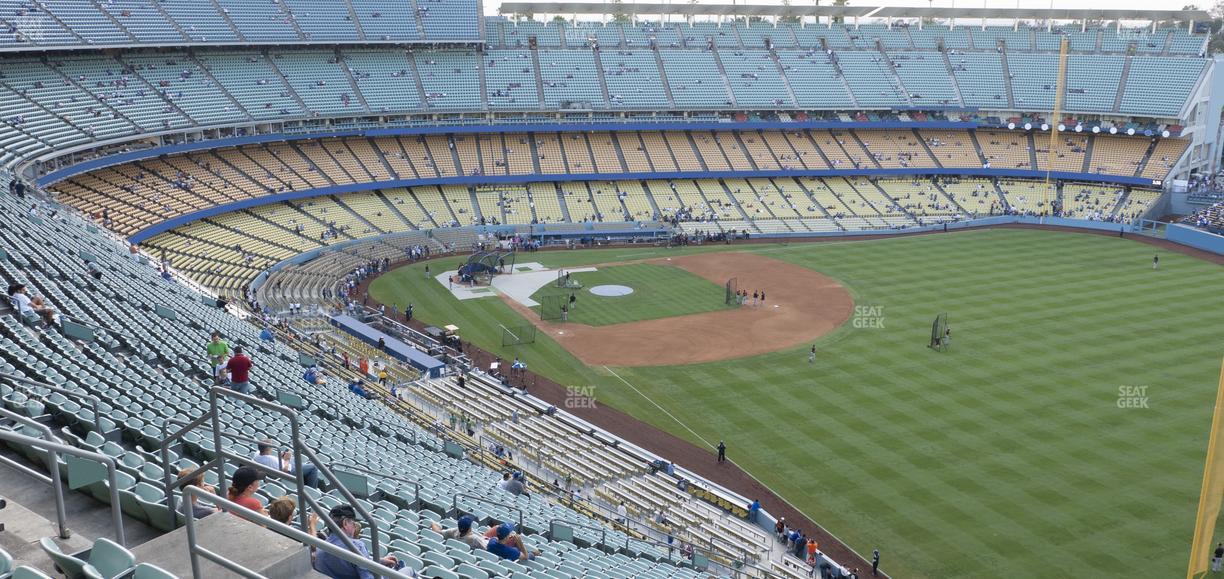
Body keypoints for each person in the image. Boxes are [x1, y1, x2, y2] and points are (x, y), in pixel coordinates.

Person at [313, 505, 401, 578]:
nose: (355, 527)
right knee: (407, 570)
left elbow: (352, 558)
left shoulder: (319, 548)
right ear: (345, 523)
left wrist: (380, 561)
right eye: (353, 524)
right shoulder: (357, 546)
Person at [253, 439, 320, 488]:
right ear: (268, 449)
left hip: (282, 465)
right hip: (289, 472)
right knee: (313, 468)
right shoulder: (271, 460)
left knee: (294, 459)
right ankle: (312, 490)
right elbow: (285, 471)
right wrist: (287, 459)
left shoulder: (256, 454)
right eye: (271, 446)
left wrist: (282, 459)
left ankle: (306, 472)